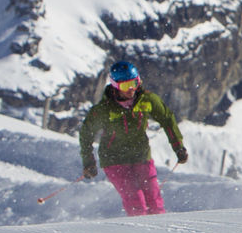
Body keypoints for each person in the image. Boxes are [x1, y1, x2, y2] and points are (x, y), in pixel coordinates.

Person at [78, 59, 187, 216]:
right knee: (137, 201)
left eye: (134, 83)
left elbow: (167, 119)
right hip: (114, 160)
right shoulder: (104, 109)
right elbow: (86, 134)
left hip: (141, 156)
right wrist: (88, 162)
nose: (131, 89)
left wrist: (178, 147)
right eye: (125, 86)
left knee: (154, 200)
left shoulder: (147, 100)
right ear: (115, 86)